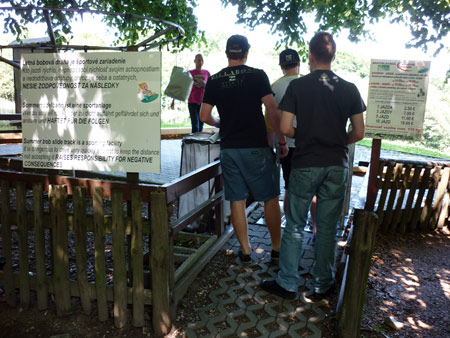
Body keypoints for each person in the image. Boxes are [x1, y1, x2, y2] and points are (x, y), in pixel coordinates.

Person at [261, 32, 366, 299]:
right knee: (328, 226)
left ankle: (287, 283)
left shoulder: (298, 86)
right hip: (336, 165)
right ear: (333, 56)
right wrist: (337, 139)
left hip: (306, 162)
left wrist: (306, 135)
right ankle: (322, 284)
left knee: (295, 223)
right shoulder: (349, 88)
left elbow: (284, 127)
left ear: (310, 56)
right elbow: (359, 132)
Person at [200, 35, 288, 263]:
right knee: (270, 197)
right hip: (257, 146)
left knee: (236, 200)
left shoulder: (215, 80)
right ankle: (277, 249)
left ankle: (246, 251)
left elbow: (203, 116)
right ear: (246, 52)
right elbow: (272, 109)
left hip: (229, 147)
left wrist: (221, 124)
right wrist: (281, 140)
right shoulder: (258, 75)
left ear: (227, 53)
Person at [265, 49, 317, 238]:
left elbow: (270, 121)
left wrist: (274, 145)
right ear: (299, 64)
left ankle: (290, 227)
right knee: (313, 188)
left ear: (281, 66)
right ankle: (316, 227)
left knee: (289, 186)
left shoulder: (274, 86)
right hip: (309, 143)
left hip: (285, 144)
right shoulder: (309, 83)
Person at [188, 54, 210, 133]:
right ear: (195, 61)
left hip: (203, 103)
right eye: (198, 60)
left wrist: (205, 84)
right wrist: (174, 99)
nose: (200, 62)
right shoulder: (189, 73)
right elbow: (182, 86)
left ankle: (198, 142)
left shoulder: (206, 72)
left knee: (201, 125)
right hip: (192, 102)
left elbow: (211, 87)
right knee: (195, 125)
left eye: (202, 60)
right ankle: (193, 143)